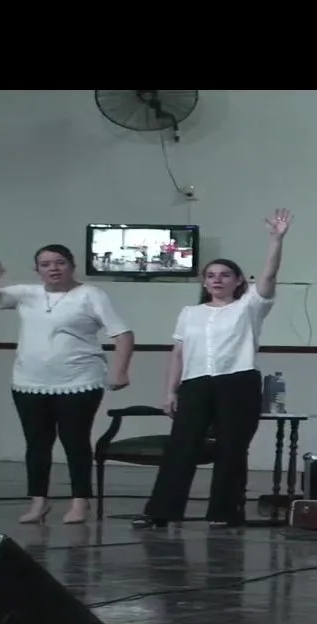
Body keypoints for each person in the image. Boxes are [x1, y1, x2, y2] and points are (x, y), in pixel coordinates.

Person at [133, 209, 291, 529]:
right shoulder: (190, 313)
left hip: (238, 381)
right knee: (181, 446)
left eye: (225, 275)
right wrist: (170, 391)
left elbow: (269, 276)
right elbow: (178, 353)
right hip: (195, 384)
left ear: (238, 281)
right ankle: (161, 511)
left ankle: (224, 512)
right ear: (204, 282)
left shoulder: (249, 307)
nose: (217, 279)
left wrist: (276, 240)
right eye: (211, 275)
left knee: (232, 448)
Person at [0, 245, 134, 525]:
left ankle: (80, 502)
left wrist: (120, 371)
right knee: (37, 443)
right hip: (29, 382)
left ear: (72, 265)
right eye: (45, 264)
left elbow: (123, 334)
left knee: (75, 440)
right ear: (37, 270)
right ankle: (38, 501)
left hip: (79, 381)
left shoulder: (90, 294)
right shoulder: (27, 293)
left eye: (60, 262)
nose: (53, 268)